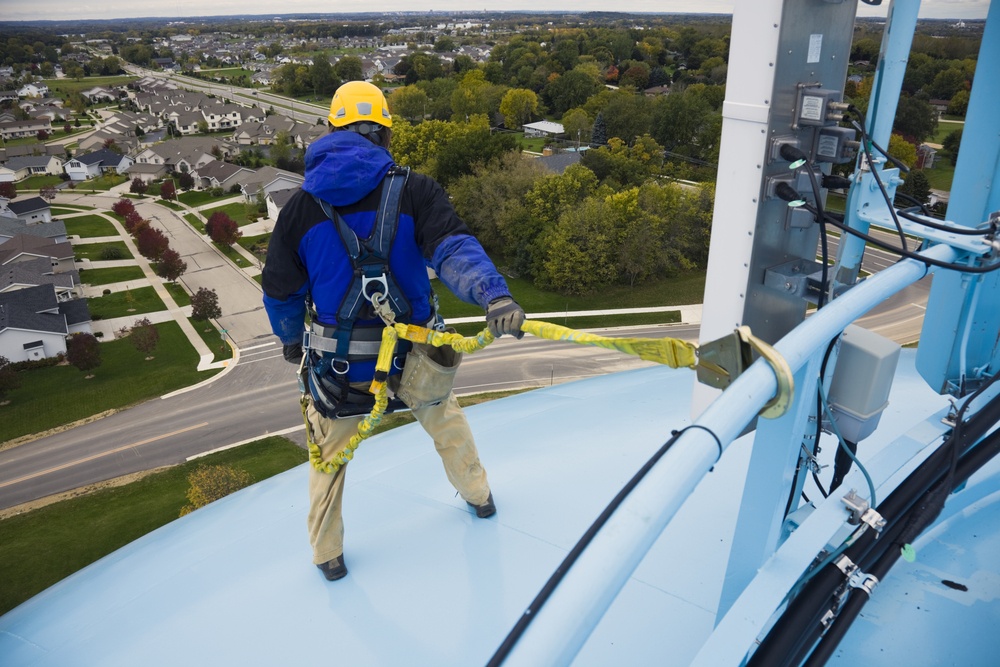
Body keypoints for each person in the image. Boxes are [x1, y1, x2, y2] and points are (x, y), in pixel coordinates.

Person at [262, 81, 525, 581]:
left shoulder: (300, 209)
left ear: (334, 130)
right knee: (448, 425)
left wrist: (292, 339)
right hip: (417, 358)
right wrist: (494, 294)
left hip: (343, 370)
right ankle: (480, 498)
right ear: (384, 133)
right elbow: (453, 248)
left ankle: (328, 555)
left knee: (329, 460)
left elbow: (280, 292)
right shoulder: (415, 190)